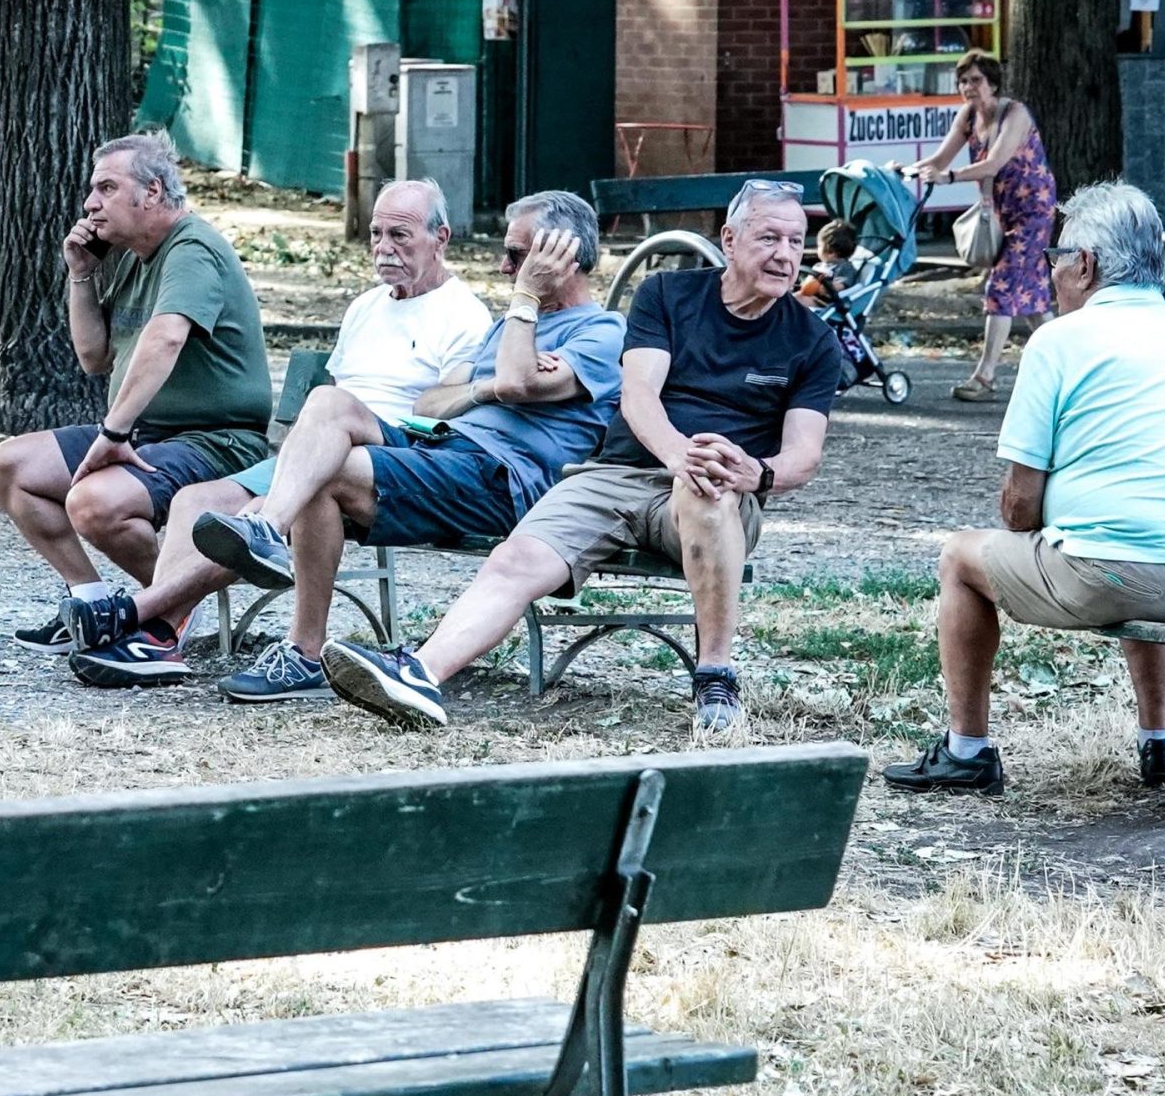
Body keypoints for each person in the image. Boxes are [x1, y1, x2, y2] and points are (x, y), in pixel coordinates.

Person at [318, 178, 846, 733]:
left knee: (707, 490)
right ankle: (420, 674)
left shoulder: (811, 341)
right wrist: (676, 455)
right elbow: (639, 396)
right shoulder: (668, 295)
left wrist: (755, 472)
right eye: (769, 239)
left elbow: (802, 456)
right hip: (615, 474)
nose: (785, 255)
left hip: (716, 487)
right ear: (730, 239)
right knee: (516, 559)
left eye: (795, 241)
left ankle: (715, 674)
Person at [67, 191, 623, 701]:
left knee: (321, 473)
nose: (505, 268)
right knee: (330, 408)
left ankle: (174, 619)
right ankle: (265, 538)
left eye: (517, 255)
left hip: (502, 475)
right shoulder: (510, 329)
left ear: (564, 255)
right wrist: (488, 384)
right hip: (443, 445)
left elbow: (520, 384)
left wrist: (519, 330)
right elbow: (434, 403)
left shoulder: (599, 332)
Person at [883, 182, 1165, 797]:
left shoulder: (1058, 342)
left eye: (1056, 257)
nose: (1051, 271)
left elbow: (1019, 508)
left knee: (959, 555)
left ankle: (966, 749)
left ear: (1085, 264)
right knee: (1139, 550)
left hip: (1113, 573)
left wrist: (1058, 515)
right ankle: (1160, 743)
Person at [0, 134, 275, 653]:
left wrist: (113, 431)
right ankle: (94, 603)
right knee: (12, 466)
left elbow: (166, 337)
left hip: (217, 441)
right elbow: (94, 358)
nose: (90, 204)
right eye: (92, 191)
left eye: (107, 188)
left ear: (153, 192)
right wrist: (81, 276)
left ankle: (164, 612)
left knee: (95, 504)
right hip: (154, 435)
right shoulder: (132, 258)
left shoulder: (192, 248)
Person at [905, 50, 1056, 403]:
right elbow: (940, 158)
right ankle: (1075, 366)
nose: (968, 87)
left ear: (992, 83)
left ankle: (985, 376)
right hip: (1001, 211)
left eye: (975, 80)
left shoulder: (1014, 113)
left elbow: (993, 163)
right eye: (963, 81)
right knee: (1033, 301)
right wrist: (908, 170)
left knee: (1001, 287)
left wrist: (950, 177)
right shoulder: (969, 116)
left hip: (1032, 211)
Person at [798, 220, 859, 304]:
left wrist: (825, 288)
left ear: (831, 252)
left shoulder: (845, 267)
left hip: (827, 303)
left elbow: (842, 284)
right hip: (812, 296)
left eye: (819, 246)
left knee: (797, 302)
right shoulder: (821, 265)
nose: (817, 249)